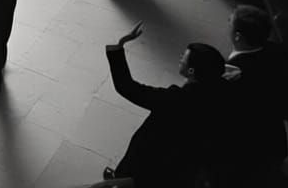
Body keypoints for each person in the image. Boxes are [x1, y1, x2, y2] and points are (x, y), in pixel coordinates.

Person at [101, 22, 235, 187]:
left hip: (150, 162)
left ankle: (117, 180)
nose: (180, 59)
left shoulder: (174, 99)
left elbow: (127, 87)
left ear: (191, 71)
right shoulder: (222, 92)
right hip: (183, 166)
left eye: (183, 58)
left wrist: (119, 45)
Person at [226, 5, 288, 181]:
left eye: (230, 23)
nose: (228, 23)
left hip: (248, 155)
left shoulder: (233, 76)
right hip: (276, 144)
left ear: (237, 37)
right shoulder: (278, 51)